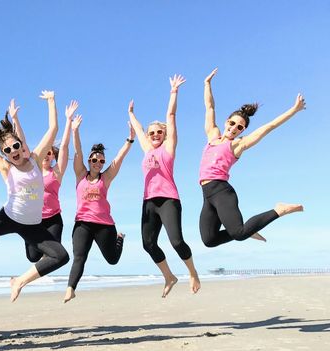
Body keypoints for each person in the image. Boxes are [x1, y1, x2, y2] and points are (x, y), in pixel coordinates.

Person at [0, 93, 69, 301]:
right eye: (7, 150)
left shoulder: (35, 158)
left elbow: (53, 129)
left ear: (21, 145)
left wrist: (51, 101)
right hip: (8, 218)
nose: (13, 151)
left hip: (32, 225)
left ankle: (19, 281)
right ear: (5, 154)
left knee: (61, 256)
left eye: (15, 146)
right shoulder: (5, 167)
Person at [199, 68, 305, 247]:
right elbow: (209, 107)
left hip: (221, 191)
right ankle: (249, 229)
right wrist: (207, 84)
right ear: (227, 121)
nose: (234, 128)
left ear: (243, 131)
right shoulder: (213, 135)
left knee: (239, 233)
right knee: (209, 240)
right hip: (206, 194)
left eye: (239, 127)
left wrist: (294, 110)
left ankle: (279, 210)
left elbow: (269, 126)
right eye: (232, 123)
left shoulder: (238, 145)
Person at [128, 75, 200, 298]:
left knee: (176, 241)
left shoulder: (168, 148)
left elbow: (170, 116)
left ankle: (192, 272)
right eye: (152, 133)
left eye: (159, 132)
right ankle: (169, 276)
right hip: (149, 202)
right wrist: (131, 114)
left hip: (168, 199)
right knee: (148, 244)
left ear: (165, 134)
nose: (155, 135)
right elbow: (139, 130)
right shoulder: (147, 149)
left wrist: (174, 92)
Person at [64, 113, 134, 303]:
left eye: (101, 161)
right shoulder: (80, 174)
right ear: (89, 161)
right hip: (83, 224)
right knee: (79, 256)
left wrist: (130, 139)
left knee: (112, 260)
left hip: (104, 225)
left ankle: (119, 238)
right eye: (94, 160)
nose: (98, 163)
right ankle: (71, 288)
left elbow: (119, 158)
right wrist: (74, 130)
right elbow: (77, 151)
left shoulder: (107, 177)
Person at [8, 98, 79, 262]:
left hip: (53, 219)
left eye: (49, 153)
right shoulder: (34, 169)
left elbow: (65, 147)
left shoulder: (57, 172)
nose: (46, 155)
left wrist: (68, 121)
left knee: (54, 255)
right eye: (44, 152)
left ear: (53, 156)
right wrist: (15, 119)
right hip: (33, 219)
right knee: (33, 258)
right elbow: (21, 144)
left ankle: (21, 281)